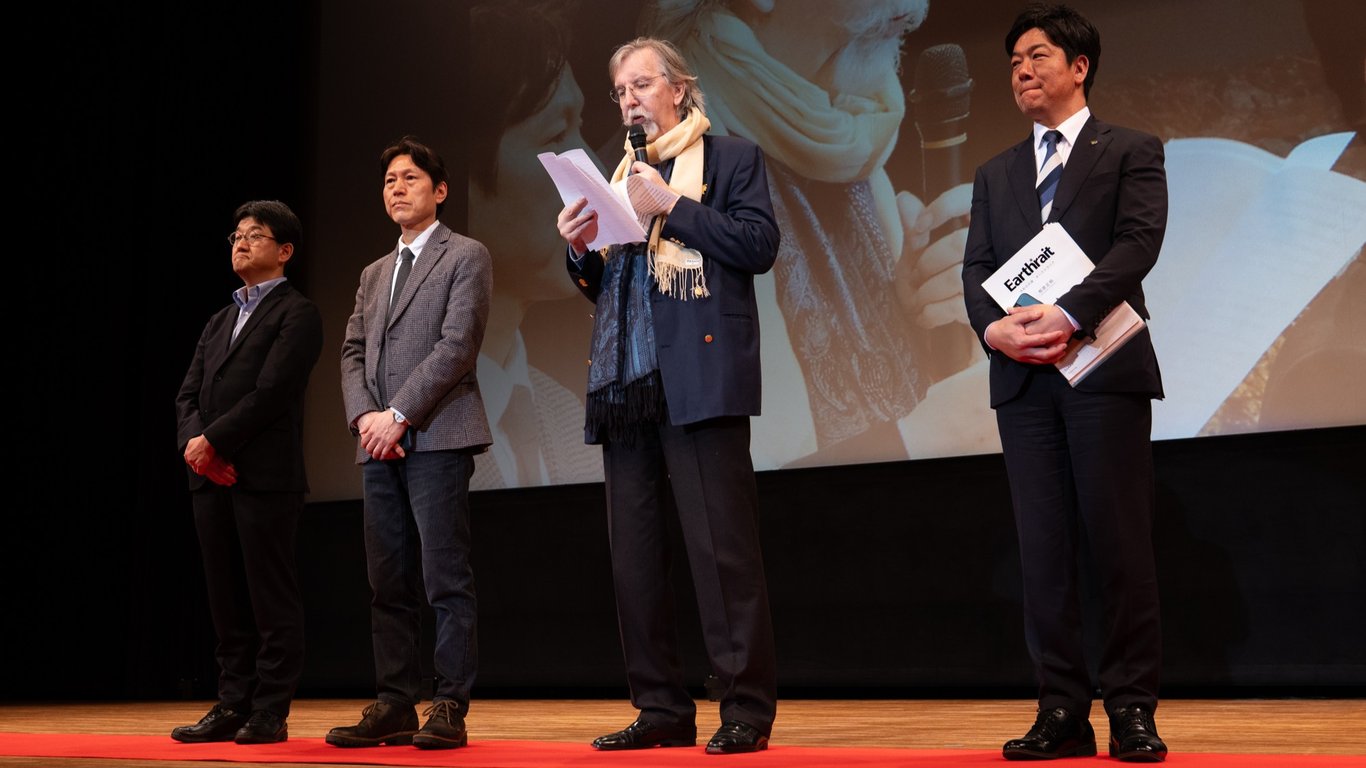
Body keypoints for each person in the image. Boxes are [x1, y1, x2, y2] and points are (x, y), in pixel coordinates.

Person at [555, 37, 780, 754]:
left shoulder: (731, 158)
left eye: (641, 85)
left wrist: (672, 205)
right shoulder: (619, 176)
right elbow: (609, 287)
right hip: (626, 385)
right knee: (636, 558)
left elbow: (758, 245)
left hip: (699, 378)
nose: (629, 100)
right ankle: (660, 708)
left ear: (678, 89)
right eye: (620, 91)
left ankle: (745, 708)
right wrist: (579, 249)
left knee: (722, 555)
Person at [960, 4, 1168, 762]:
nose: (1022, 70)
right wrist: (994, 330)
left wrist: (1068, 312)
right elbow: (977, 269)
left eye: (1037, 55)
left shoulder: (1131, 149)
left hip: (1101, 367)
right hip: (1024, 382)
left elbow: (1138, 243)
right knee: (1044, 549)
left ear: (1079, 67)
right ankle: (1060, 710)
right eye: (1014, 60)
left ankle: (1132, 707)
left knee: (1118, 543)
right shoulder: (995, 173)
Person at [645, 0, 978, 466]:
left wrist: (918, 326)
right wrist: (937, 429)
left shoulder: (842, 125)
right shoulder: (671, 171)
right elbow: (727, 470)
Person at [330, 136, 493, 751]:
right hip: (378, 442)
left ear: (440, 190)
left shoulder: (466, 254)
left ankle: (448, 703)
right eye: (389, 181)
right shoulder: (373, 273)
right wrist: (365, 418)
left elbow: (458, 345)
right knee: (387, 581)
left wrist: (397, 414)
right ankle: (394, 702)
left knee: (445, 577)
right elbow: (352, 352)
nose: (397, 188)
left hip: (438, 434)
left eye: (410, 178)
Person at [172, 200, 324, 745]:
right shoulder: (219, 320)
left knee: (269, 597)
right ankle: (232, 702)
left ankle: (270, 710)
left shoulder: (297, 313)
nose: (240, 242)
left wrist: (213, 442)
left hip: (264, 476)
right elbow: (187, 394)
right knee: (225, 598)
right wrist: (197, 448)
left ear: (284, 251)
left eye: (255, 235)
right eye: (236, 235)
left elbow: (272, 391)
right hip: (210, 476)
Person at [466, 0, 602, 489]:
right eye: (555, 135)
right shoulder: (403, 415)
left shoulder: (568, 416)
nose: (593, 170)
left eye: (579, 130)